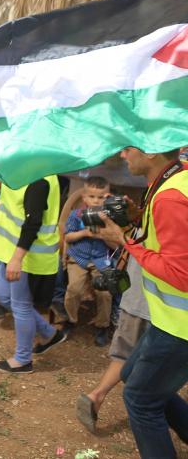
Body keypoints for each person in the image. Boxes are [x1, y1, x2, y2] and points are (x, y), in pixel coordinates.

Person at [110, 146, 188, 456]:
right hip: (170, 320)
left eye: (128, 148)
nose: (122, 156)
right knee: (130, 374)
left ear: (152, 151)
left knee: (141, 401)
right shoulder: (175, 178)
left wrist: (126, 241)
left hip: (180, 327)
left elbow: (181, 274)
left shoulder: (170, 197)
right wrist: (137, 219)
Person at [0, 174, 66, 374]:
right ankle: (49, 334)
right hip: (11, 248)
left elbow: (33, 223)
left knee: (21, 306)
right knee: (0, 294)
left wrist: (17, 259)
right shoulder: (23, 170)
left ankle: (23, 360)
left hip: (28, 255)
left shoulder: (38, 180)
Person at [76, 257, 150, 434]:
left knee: (123, 354)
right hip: (167, 310)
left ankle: (97, 395)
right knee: (159, 368)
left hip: (135, 295)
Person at [62, 176, 115, 346]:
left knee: (104, 292)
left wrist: (103, 234)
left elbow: (116, 245)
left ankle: (102, 325)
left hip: (101, 258)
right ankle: (70, 320)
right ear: (84, 197)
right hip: (78, 257)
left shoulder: (110, 218)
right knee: (73, 289)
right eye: (92, 196)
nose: (96, 201)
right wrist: (85, 233)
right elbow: (68, 237)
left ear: (107, 197)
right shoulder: (76, 215)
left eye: (101, 197)